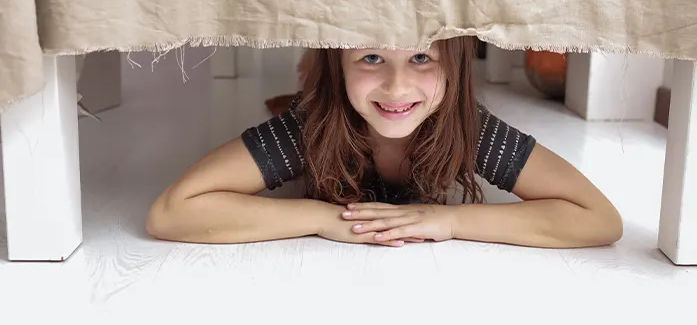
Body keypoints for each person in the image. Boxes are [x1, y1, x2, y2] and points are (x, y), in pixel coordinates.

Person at [146, 37, 622, 248]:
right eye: (372, 57)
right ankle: (310, 74)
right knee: (306, 87)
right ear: (343, 66)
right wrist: (322, 219)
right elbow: (173, 211)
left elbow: (599, 219)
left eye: (421, 57)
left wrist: (452, 221)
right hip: (321, 96)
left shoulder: (466, 126)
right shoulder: (311, 124)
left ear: (456, 67)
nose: (397, 87)